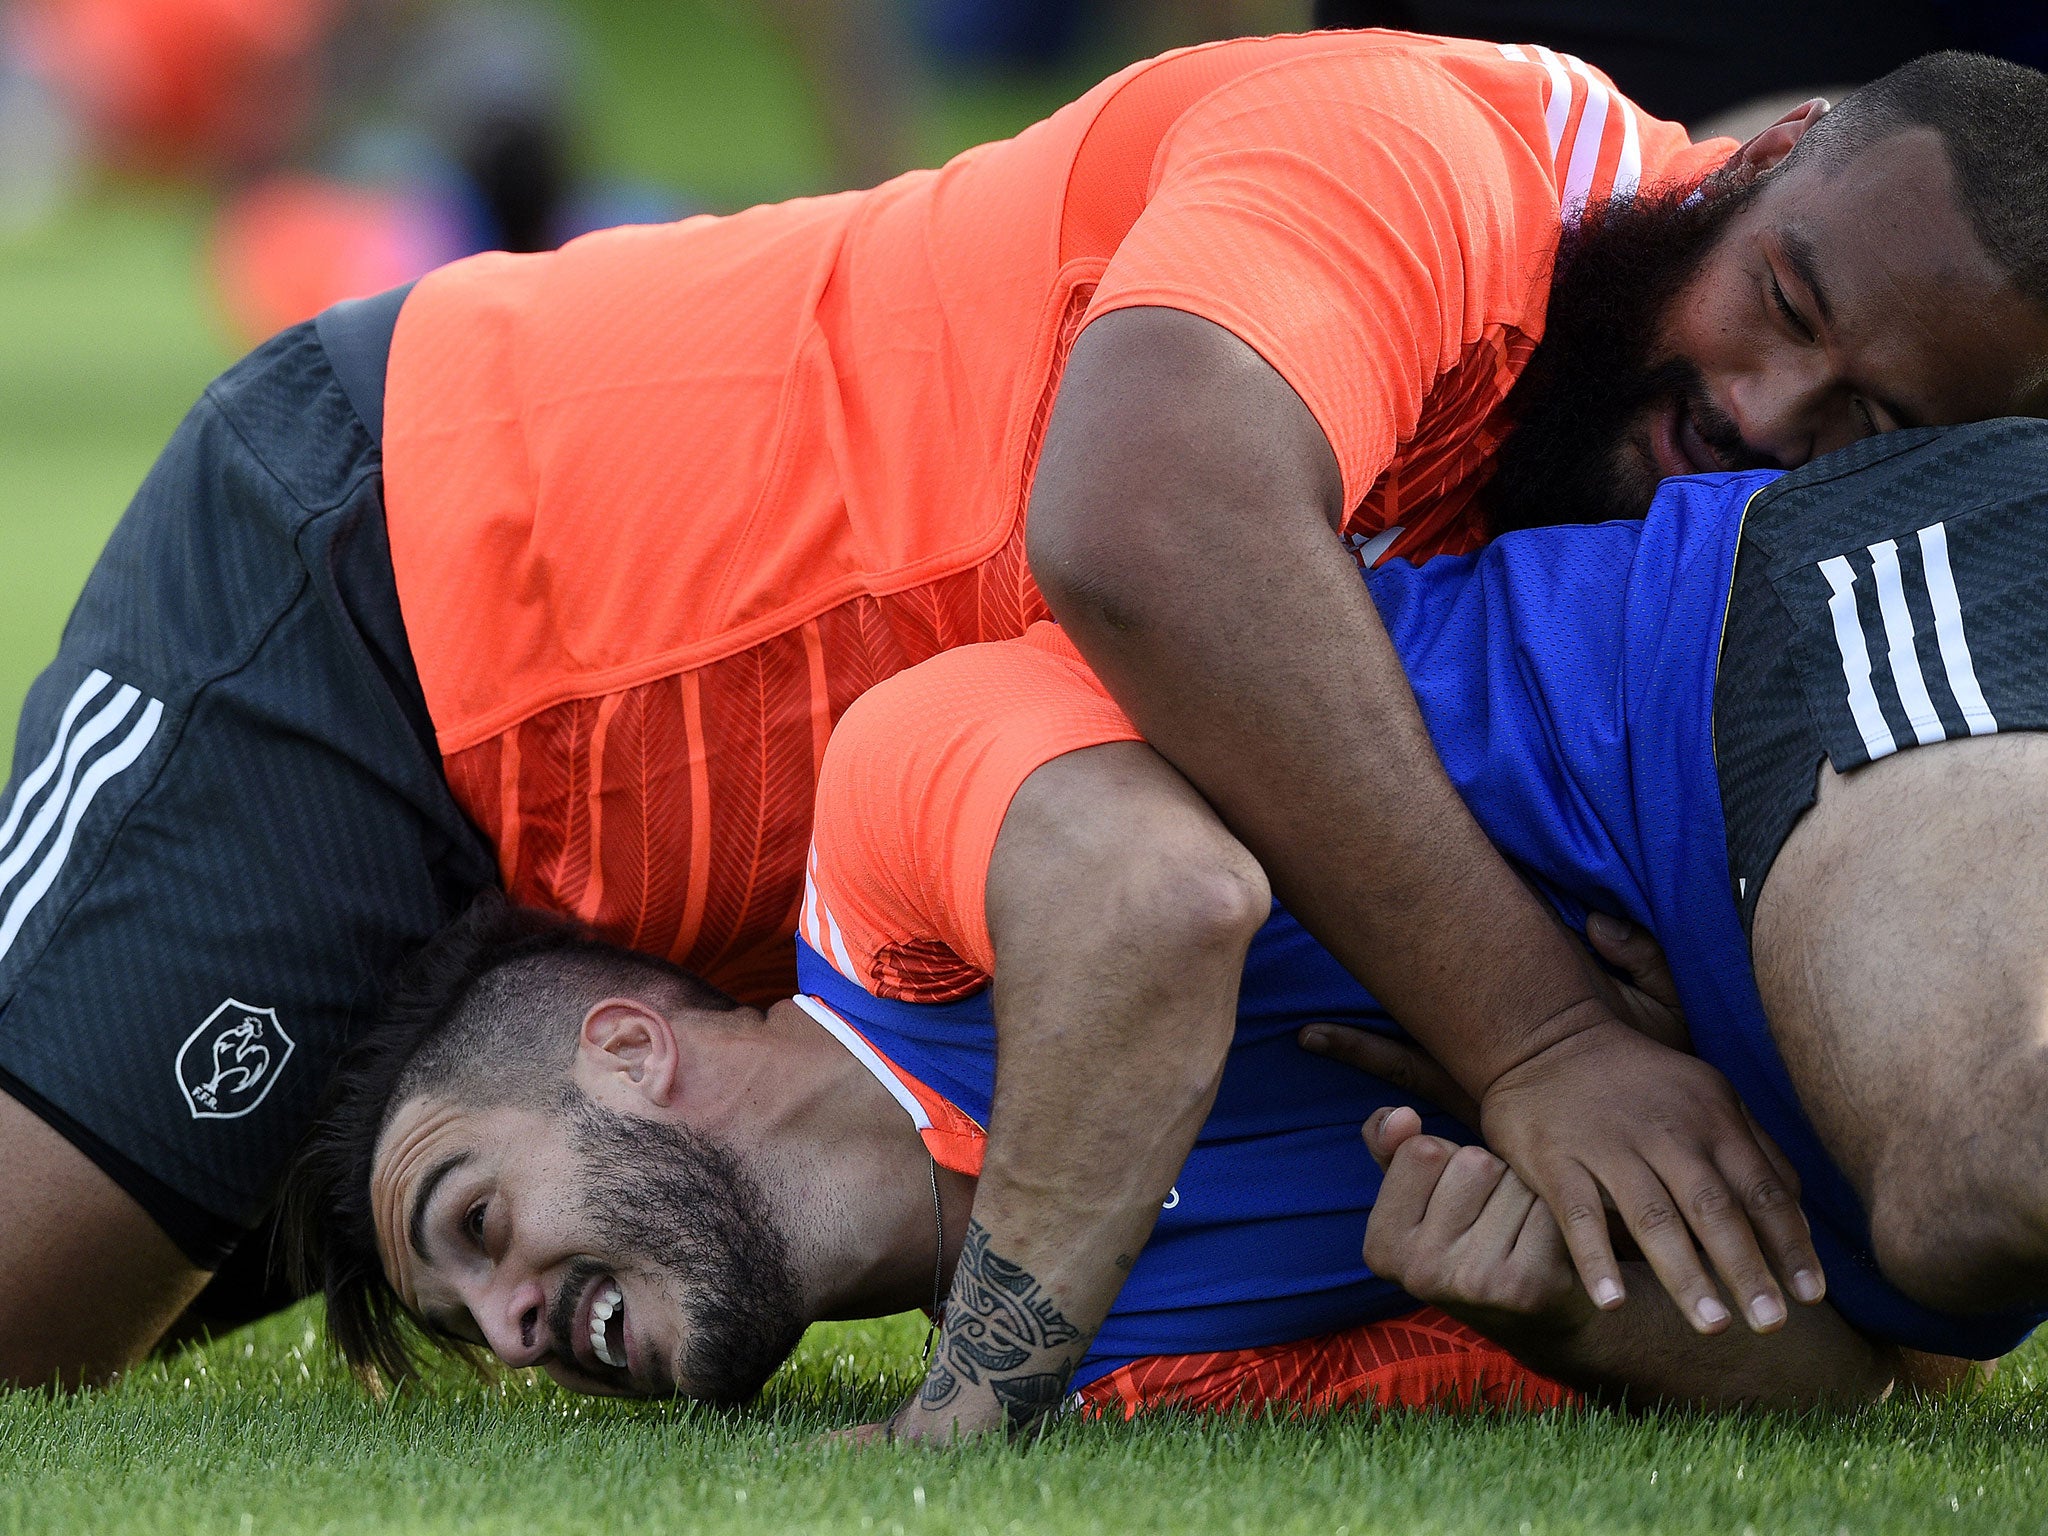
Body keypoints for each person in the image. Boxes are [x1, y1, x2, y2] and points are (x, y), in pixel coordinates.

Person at [6, 35, 2048, 1391]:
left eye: (1864, 428)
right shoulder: (1432, 161)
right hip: (421, 591)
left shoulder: (1633, 455)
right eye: (1782, 310)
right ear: (1765, 154)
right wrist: (1541, 1039)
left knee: (270, 1284)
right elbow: (1147, 521)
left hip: (751, 901)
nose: (1763, 420)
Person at [300, 420, 2048, 1425]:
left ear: (629, 1047)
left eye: (473, 1224)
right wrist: (1583, 1318)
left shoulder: (886, 843)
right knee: (1967, 1227)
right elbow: (1876, 1398)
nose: (512, 1324)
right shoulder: (1136, 1379)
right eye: (473, 1332)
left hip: (1785, 646)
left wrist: (965, 1409)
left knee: (1989, 1162)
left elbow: (1159, 899)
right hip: (1874, 1040)